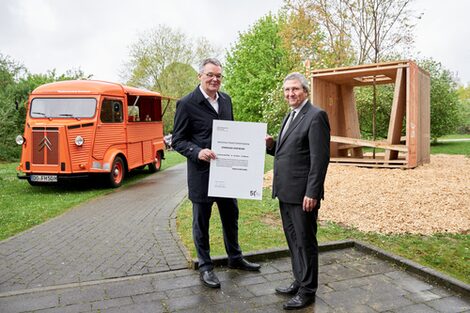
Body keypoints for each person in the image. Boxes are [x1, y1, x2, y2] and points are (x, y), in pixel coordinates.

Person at [172, 58, 260, 289]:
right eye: (210, 75)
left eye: (219, 76)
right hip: (202, 175)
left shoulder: (227, 100)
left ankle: (235, 257)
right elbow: (178, 140)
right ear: (200, 76)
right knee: (201, 222)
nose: (215, 79)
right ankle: (205, 266)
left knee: (231, 216)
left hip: (228, 173)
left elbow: (231, 131)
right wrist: (197, 151)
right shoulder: (187, 103)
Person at [266, 72, 330, 310]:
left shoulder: (316, 116)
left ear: (305, 91)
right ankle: (299, 280)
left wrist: (312, 193)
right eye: (287, 90)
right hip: (285, 192)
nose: (290, 94)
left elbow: (319, 159)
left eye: (295, 89)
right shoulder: (290, 115)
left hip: (303, 195)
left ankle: (308, 291)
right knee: (293, 241)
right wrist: (272, 146)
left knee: (305, 242)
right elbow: (288, 152)